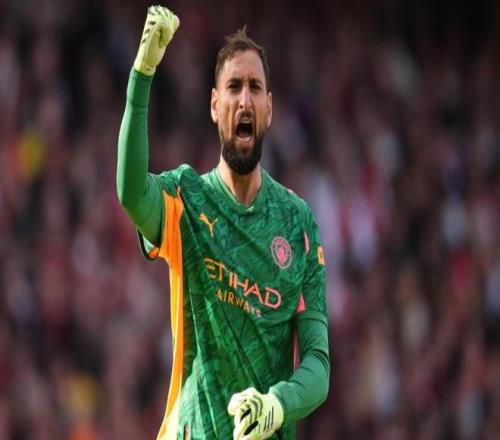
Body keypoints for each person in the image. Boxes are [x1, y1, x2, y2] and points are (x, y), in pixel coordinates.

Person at [116, 5, 330, 439]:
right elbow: (132, 194)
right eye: (234, 87)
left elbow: (318, 364)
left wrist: (277, 403)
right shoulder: (186, 198)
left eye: (255, 87)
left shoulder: (297, 224)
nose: (244, 99)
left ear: (268, 109)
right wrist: (141, 76)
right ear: (216, 106)